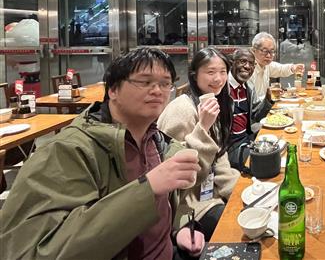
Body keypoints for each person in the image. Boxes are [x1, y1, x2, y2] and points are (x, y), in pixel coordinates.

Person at [0, 47, 204, 259]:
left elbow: (163, 209)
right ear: (113, 90)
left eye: (165, 83)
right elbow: (33, 251)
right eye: (145, 82)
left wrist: (179, 229)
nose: (157, 91)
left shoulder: (157, 141)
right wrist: (147, 188)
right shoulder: (67, 151)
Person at [157, 47, 239, 243]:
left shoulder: (215, 102)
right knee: (234, 230)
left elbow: (219, 157)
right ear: (194, 75)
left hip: (210, 194)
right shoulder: (182, 109)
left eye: (223, 72)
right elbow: (176, 176)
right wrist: (203, 126)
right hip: (187, 204)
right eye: (210, 72)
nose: (218, 78)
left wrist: (237, 190)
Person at [226, 48, 273, 169]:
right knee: (268, 164)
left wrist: (268, 101)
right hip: (229, 149)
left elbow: (256, 115)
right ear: (232, 63)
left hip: (246, 140)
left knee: (277, 146)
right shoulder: (221, 87)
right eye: (242, 61)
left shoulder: (247, 87)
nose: (247, 66)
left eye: (251, 64)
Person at [248, 32, 305, 101]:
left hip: (263, 105)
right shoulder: (248, 70)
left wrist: (293, 68)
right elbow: (252, 101)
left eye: (272, 51)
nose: (268, 55)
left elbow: (280, 69)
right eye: (265, 51)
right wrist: (269, 95)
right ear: (253, 51)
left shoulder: (266, 65)